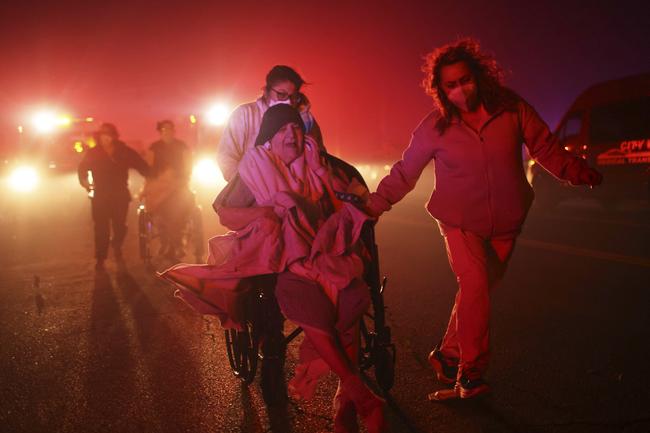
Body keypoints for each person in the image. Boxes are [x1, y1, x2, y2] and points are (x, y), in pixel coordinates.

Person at [365, 38, 603, 400]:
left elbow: (544, 146)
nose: (460, 90)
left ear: (479, 76)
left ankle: (447, 356)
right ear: (441, 90)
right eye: (451, 85)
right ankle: (470, 375)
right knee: (474, 284)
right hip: (458, 221)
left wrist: (575, 171)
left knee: (476, 294)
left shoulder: (511, 109)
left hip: (507, 221)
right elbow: (406, 171)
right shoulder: (435, 126)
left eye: (465, 80)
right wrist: (377, 203)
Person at [161, 105, 385, 432]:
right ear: (269, 137)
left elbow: (354, 200)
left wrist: (337, 192)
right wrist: (266, 212)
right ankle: (358, 395)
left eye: (295, 128)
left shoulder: (321, 165)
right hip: (281, 261)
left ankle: (346, 396)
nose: (291, 135)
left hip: (326, 253)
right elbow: (226, 213)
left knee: (350, 296)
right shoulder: (255, 168)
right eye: (282, 130)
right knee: (304, 297)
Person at [216, 64, 325, 182]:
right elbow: (227, 158)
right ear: (266, 91)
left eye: (293, 97)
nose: (288, 101)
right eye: (281, 94)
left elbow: (320, 158)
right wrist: (249, 187)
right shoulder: (244, 115)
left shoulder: (307, 121)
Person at [78, 123, 150, 271]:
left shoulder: (124, 151)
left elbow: (141, 165)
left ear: (114, 137)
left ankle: (116, 244)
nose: (106, 138)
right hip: (100, 196)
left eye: (109, 135)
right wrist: (85, 182)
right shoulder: (94, 153)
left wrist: (154, 176)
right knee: (101, 228)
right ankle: (100, 258)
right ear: (99, 137)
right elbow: (82, 168)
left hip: (120, 195)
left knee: (120, 227)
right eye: (103, 135)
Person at [142, 120, 194, 260]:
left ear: (173, 131)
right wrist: (149, 186)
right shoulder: (154, 148)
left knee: (180, 213)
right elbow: (149, 167)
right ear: (160, 132)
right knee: (160, 217)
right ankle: (167, 243)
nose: (167, 132)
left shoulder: (181, 146)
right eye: (164, 129)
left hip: (179, 185)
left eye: (170, 129)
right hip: (160, 187)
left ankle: (176, 244)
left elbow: (188, 164)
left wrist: (184, 178)